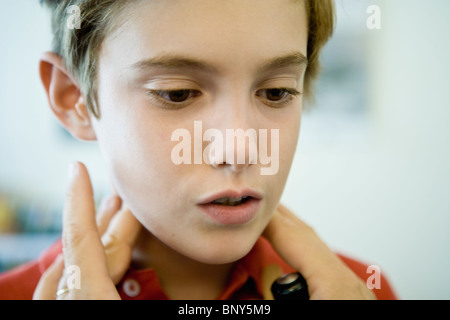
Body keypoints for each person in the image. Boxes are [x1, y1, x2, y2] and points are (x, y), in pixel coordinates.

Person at [0, 0, 397, 300]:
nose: (241, 150)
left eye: (276, 92)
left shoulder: (360, 288)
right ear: (75, 99)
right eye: (177, 94)